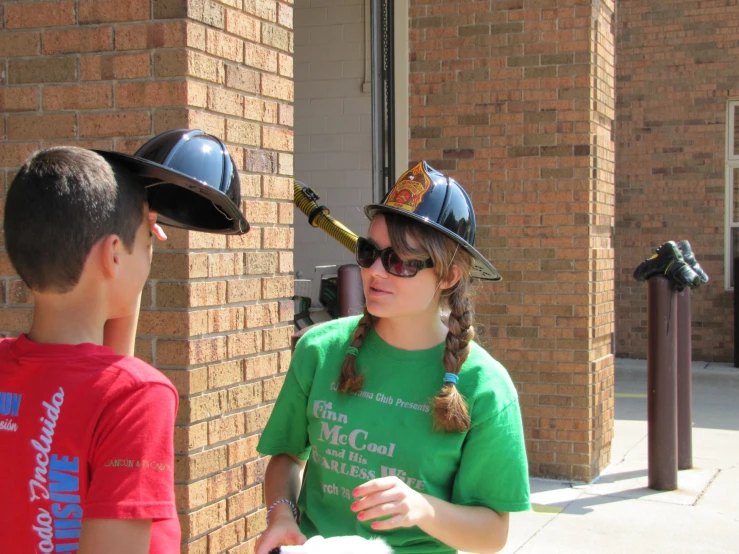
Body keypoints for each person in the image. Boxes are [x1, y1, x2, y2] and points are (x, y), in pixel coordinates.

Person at [256, 162, 530, 554]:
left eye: (400, 260)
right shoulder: (319, 350)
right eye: (370, 252)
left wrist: (423, 509)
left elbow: (492, 535)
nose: (376, 272)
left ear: (449, 276)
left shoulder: (485, 386)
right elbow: (286, 455)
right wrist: (281, 514)